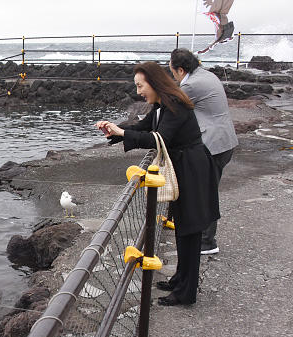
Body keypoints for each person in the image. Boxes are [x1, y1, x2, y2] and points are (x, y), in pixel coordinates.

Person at [96, 62, 220, 306]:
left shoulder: (175, 105)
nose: (139, 91)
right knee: (183, 226)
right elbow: (143, 128)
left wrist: (123, 134)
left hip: (192, 168)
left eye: (141, 86)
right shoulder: (162, 105)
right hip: (183, 166)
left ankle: (186, 293)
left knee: (190, 229)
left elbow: (158, 138)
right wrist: (115, 131)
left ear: (154, 83)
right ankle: (180, 280)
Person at [170, 48, 238, 255]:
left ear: (180, 70)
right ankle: (201, 236)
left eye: (172, 69)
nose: (171, 73)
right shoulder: (207, 75)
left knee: (205, 193)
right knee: (206, 190)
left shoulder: (190, 85)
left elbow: (170, 106)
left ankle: (207, 242)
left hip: (214, 144)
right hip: (224, 141)